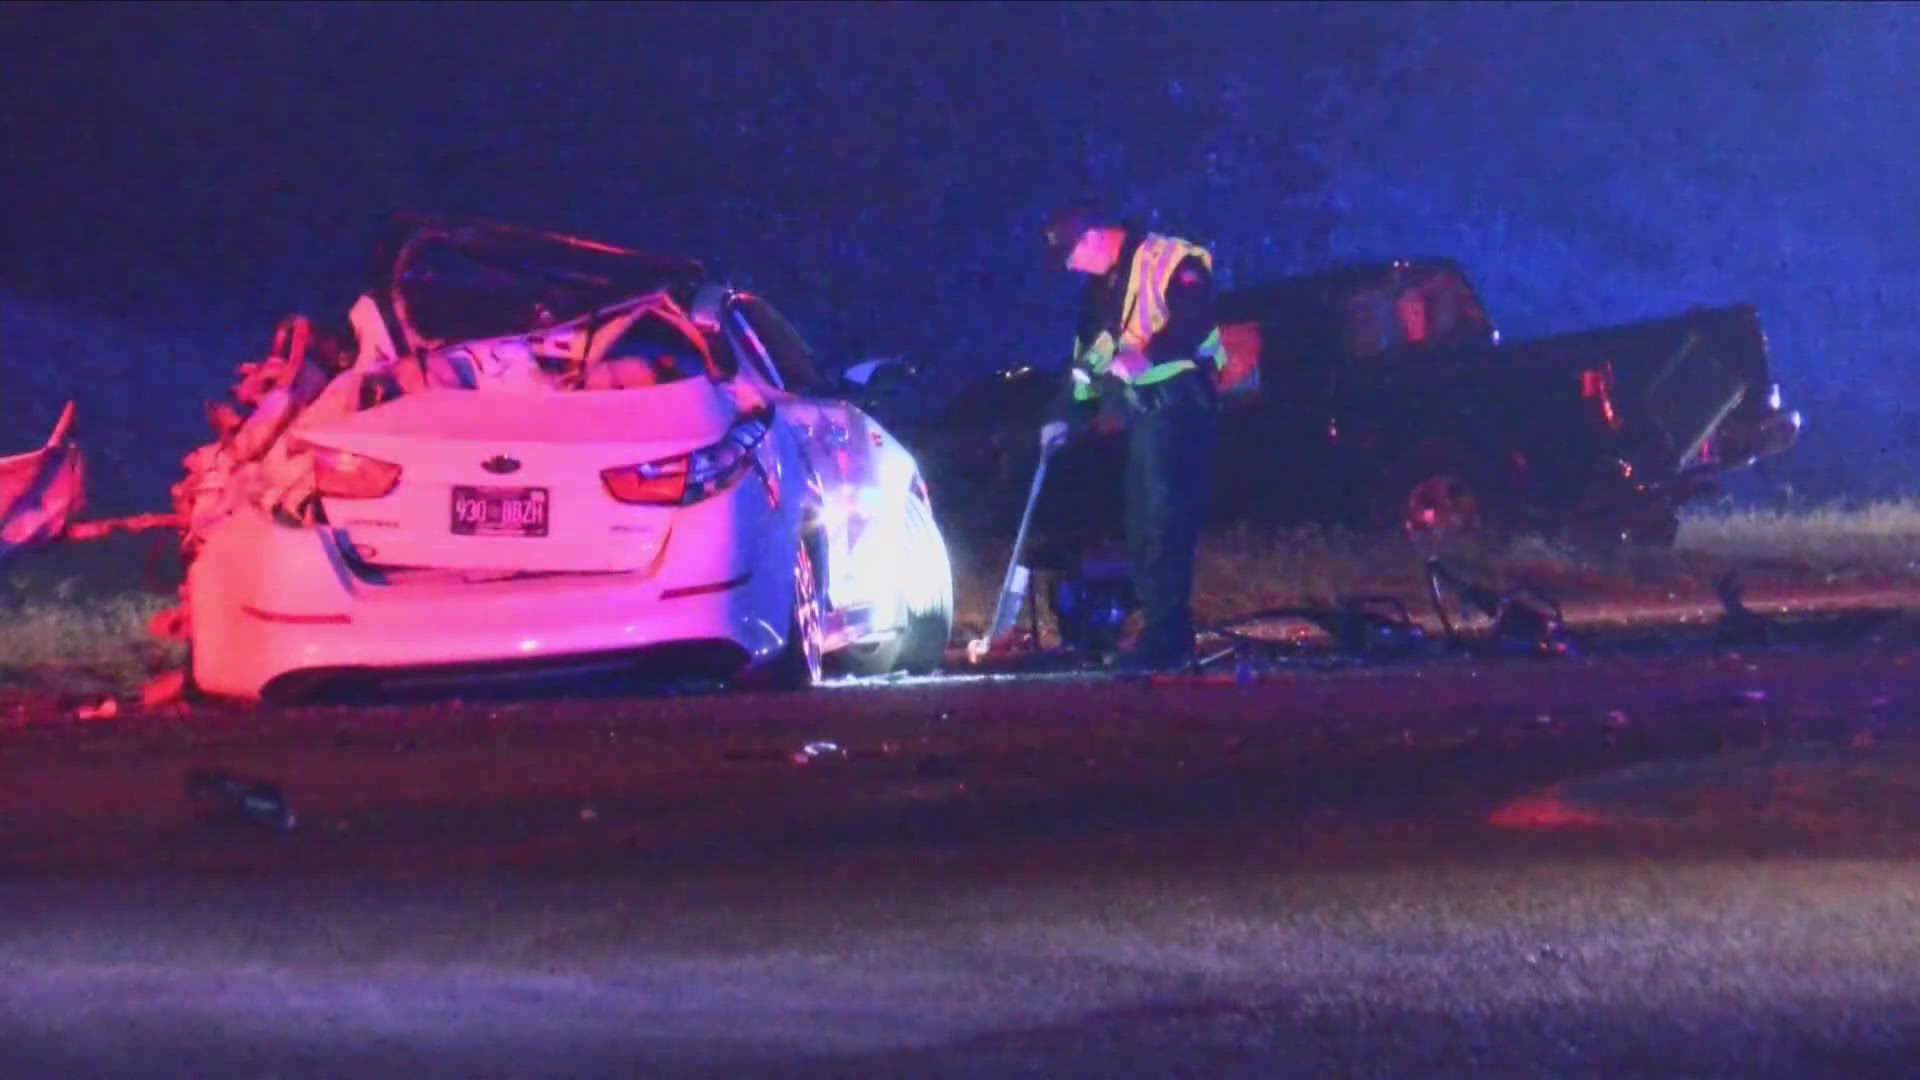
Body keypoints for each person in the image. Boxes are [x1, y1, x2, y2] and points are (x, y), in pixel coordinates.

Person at [1039, 201, 1228, 671]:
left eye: (1070, 257)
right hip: (1146, 419)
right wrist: (1064, 413)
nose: (1069, 268)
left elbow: (1196, 319)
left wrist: (1148, 354)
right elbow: (1088, 363)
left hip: (1180, 405)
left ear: (1092, 237)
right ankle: (1162, 633)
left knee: (1164, 523)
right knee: (1143, 523)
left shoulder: (1167, 259)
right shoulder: (1099, 292)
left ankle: (1167, 639)